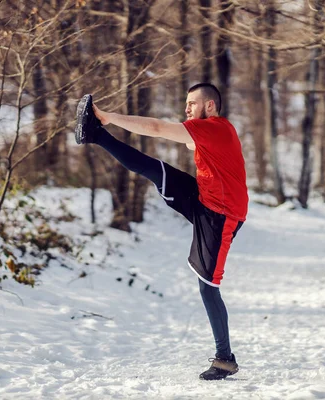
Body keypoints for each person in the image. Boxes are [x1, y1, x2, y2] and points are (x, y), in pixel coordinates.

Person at [75, 83, 248, 380]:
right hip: (205, 197)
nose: (187, 109)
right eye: (186, 103)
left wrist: (107, 115)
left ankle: (225, 359)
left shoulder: (216, 128)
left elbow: (156, 127)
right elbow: (193, 144)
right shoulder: (212, 133)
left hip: (222, 214)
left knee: (208, 285)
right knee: (155, 170)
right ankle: (95, 135)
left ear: (210, 106)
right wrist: (193, 144)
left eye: (192, 103)